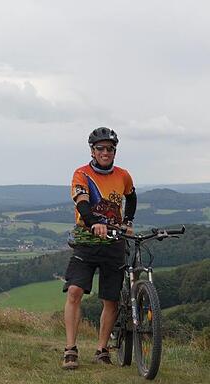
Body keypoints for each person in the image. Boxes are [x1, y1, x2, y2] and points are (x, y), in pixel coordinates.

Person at [62, 127, 137, 370]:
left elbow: (132, 197)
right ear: (92, 151)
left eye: (110, 149)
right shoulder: (81, 174)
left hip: (114, 243)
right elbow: (82, 202)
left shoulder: (123, 175)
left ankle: (102, 349)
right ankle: (70, 349)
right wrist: (94, 223)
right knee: (74, 291)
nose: (105, 152)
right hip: (87, 241)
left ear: (115, 151)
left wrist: (127, 223)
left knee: (111, 299)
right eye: (100, 148)